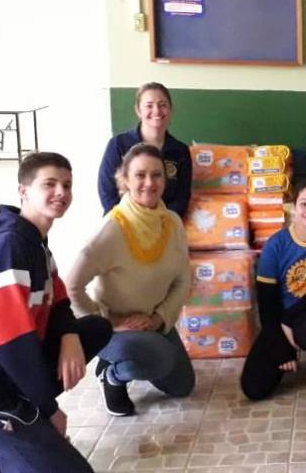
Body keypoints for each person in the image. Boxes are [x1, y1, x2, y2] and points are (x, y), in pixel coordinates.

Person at [0, 152, 112, 473]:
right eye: (49, 184)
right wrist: (48, 408)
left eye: (67, 185)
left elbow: (58, 299)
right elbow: (11, 343)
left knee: (95, 329)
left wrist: (69, 335)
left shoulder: (36, 242)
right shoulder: (8, 248)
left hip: (5, 373)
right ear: (23, 191)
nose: (61, 192)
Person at [67, 144, 194, 417]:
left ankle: (138, 357)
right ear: (124, 179)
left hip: (152, 320)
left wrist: (158, 319)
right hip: (117, 329)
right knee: (159, 356)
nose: (149, 183)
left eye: (157, 175)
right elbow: (71, 286)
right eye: (140, 175)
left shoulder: (172, 223)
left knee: (182, 385)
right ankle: (113, 376)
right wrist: (106, 323)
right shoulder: (112, 228)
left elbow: (183, 280)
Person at [240, 178, 306, 400]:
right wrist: (279, 341)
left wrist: (288, 322)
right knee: (254, 388)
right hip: (279, 317)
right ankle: (290, 347)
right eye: (304, 204)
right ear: (293, 207)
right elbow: (267, 300)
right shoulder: (275, 244)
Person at [98, 82, 192, 218]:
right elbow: (107, 194)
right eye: (149, 105)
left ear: (170, 110)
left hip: (163, 224)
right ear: (138, 110)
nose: (156, 110)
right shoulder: (118, 145)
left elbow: (181, 199)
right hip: (123, 222)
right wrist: (133, 222)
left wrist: (158, 222)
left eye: (162, 105)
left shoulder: (181, 151)